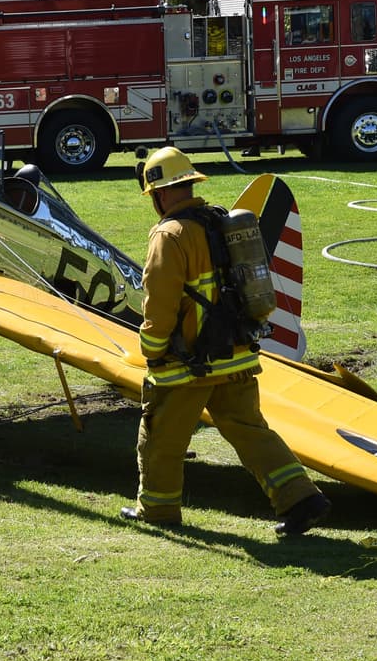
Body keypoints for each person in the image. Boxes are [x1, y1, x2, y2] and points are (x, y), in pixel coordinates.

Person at [121, 147, 330, 536]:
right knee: (250, 430)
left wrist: (151, 350)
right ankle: (301, 498)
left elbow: (161, 303)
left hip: (189, 363)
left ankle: (157, 510)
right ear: (190, 184)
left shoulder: (169, 235)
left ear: (160, 193)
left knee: (160, 435)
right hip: (236, 356)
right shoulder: (221, 223)